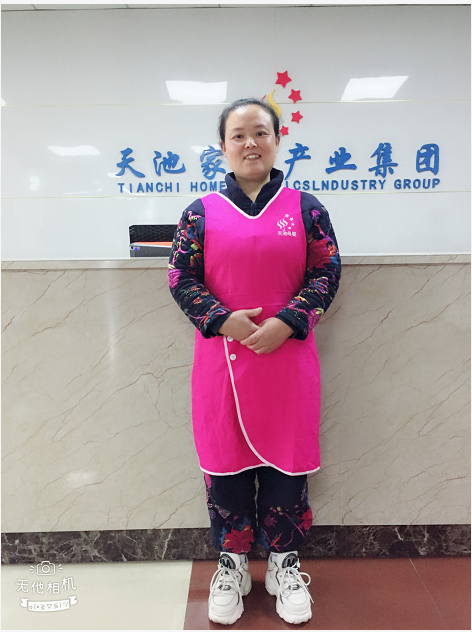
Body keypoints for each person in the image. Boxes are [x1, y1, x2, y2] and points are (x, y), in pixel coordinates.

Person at [168, 97, 341, 625]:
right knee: (225, 465)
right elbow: (180, 278)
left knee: (288, 466)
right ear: (222, 146)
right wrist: (223, 319)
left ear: (277, 140)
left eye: (260, 133)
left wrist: (288, 320)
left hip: (288, 360)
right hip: (222, 362)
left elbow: (327, 272)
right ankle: (233, 564)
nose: (250, 143)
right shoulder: (199, 213)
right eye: (239, 135)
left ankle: (285, 566)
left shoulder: (306, 209)